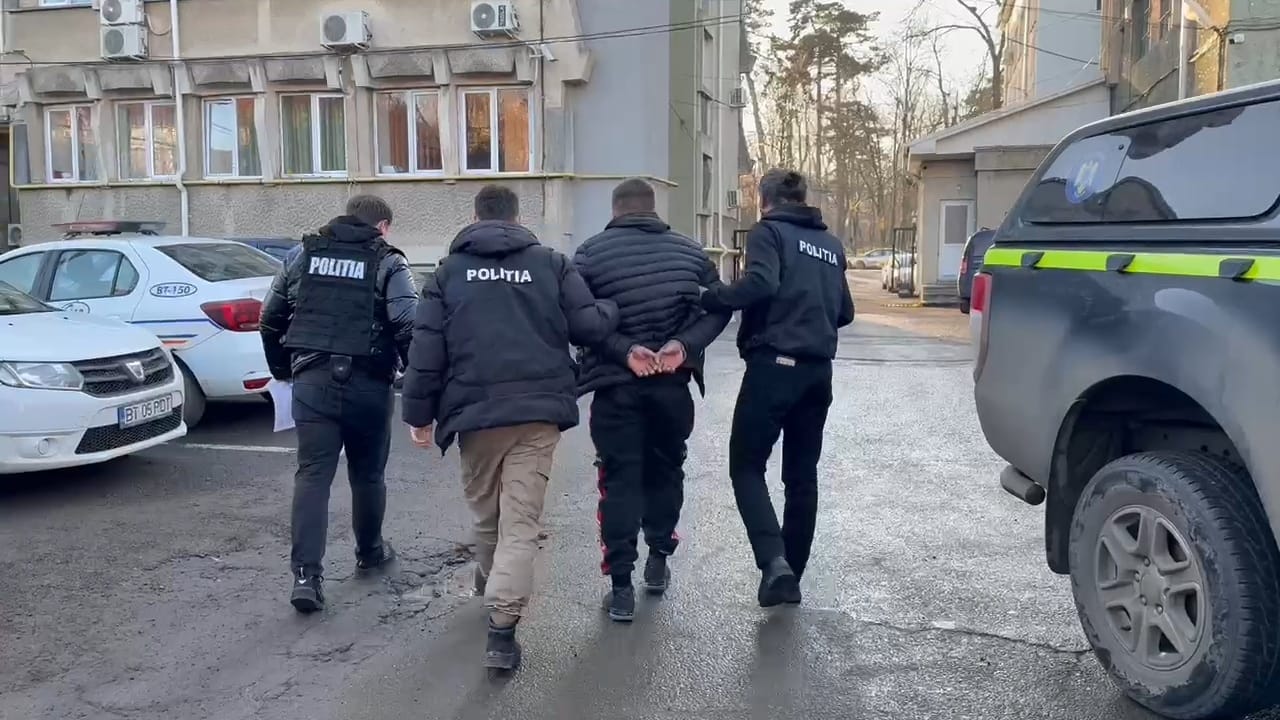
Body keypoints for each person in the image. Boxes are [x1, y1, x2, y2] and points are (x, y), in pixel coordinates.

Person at [401, 185, 618, 671]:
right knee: (520, 524)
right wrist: (612, 308)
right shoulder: (551, 264)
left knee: (487, 517)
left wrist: (418, 414)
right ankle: (502, 632)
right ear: (518, 219)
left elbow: (426, 348)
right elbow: (588, 326)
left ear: (475, 216)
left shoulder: (449, 272)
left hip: (475, 415)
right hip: (537, 413)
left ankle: (492, 585)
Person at [574, 178, 732, 622]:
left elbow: (576, 318)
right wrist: (684, 345)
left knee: (618, 480)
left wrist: (623, 350)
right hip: (671, 386)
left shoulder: (589, 254)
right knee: (666, 470)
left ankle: (621, 588)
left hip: (616, 387)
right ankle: (659, 559)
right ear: (653, 208)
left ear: (615, 210)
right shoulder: (691, 252)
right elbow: (720, 305)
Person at [700, 169, 855, 608]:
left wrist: (713, 296)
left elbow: (761, 282)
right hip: (818, 372)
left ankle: (773, 563)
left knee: (746, 466)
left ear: (764, 202)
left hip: (774, 367)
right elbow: (845, 311)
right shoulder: (830, 244)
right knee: (802, 476)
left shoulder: (768, 232)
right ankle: (792, 576)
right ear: (803, 199)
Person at [259, 194, 419, 614]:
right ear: (382, 226)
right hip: (369, 384)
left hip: (312, 383)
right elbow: (408, 325)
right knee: (367, 474)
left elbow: (269, 318)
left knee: (312, 476)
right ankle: (370, 552)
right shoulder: (388, 261)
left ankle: (306, 577)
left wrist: (283, 370)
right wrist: (418, 382)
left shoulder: (302, 255)